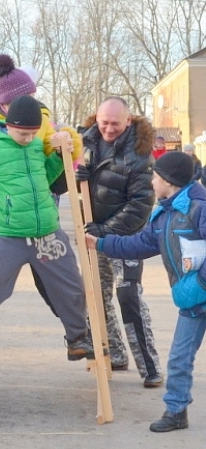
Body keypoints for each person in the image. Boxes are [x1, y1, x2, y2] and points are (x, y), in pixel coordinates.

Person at [0, 95, 94, 365]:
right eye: (22, 133)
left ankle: (77, 338)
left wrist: (64, 150)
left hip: (47, 234)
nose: (27, 138)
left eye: (32, 133)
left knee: (72, 287)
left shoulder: (37, 146)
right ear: (8, 125)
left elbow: (49, 178)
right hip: (8, 235)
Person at [0, 54, 81, 328]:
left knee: (50, 278)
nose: (32, 101)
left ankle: (78, 330)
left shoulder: (41, 119)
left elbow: (53, 161)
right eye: (28, 96)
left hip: (35, 215)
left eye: (34, 96)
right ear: (6, 102)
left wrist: (67, 143)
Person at [86, 152, 206, 432]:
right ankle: (176, 411)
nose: (152, 182)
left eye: (156, 177)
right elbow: (140, 245)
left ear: (169, 182)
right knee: (179, 357)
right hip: (193, 300)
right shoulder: (163, 214)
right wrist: (101, 244)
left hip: (197, 290)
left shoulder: (200, 208)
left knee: (179, 356)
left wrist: (201, 283)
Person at [78, 96, 163, 387]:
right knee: (95, 298)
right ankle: (114, 352)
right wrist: (76, 176)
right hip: (93, 234)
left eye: (115, 123)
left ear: (128, 121)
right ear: (96, 119)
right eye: (104, 122)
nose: (109, 129)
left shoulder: (140, 156)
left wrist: (105, 231)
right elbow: (61, 182)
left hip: (125, 238)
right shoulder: (84, 144)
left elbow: (141, 206)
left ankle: (149, 366)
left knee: (129, 297)